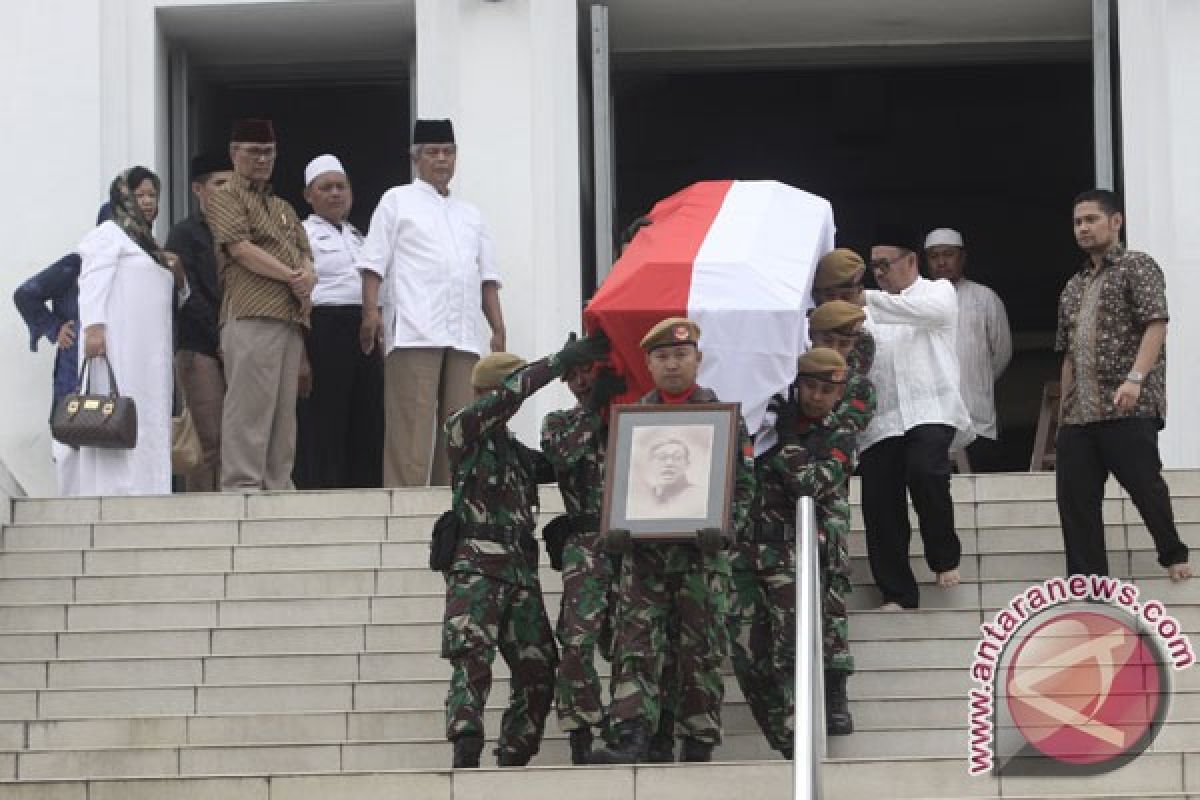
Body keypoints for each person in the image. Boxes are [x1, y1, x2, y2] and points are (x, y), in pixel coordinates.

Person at [589, 317, 755, 765]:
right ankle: (635, 736)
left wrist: (725, 527)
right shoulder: (633, 420)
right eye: (662, 357)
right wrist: (615, 529)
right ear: (648, 363)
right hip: (644, 558)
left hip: (702, 558)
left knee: (699, 651)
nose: (673, 364)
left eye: (682, 355)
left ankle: (697, 742)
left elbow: (744, 489)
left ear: (698, 359)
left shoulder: (722, 420)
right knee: (637, 648)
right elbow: (617, 483)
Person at [441, 333, 608, 768]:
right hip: (476, 567)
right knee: (472, 661)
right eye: (503, 393)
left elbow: (566, 461)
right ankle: (466, 745)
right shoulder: (464, 428)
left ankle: (515, 751)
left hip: (519, 571)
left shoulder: (517, 454)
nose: (512, 401)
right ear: (485, 395)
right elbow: (517, 391)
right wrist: (558, 361)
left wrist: (596, 406)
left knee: (538, 666)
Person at [358, 118, 507, 488]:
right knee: (411, 422)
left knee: (460, 422)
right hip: (413, 327)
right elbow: (373, 263)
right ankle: (404, 501)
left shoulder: (470, 213)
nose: (441, 159)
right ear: (415, 158)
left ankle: (452, 499)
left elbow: (486, 276)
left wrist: (499, 328)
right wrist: (370, 312)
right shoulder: (396, 201)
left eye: (448, 152)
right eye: (432, 152)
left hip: (463, 332)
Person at [1055, 189, 1191, 582]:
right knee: (1076, 503)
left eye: (1092, 219)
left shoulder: (1137, 266)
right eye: (1078, 221)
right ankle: (1088, 583)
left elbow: (1156, 324)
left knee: (1145, 487)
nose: (1083, 227)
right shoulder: (1073, 285)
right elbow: (1067, 353)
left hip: (1127, 404)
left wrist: (1135, 379)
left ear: (1116, 222)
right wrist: (1064, 410)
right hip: (1080, 412)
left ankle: (1173, 554)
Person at [732, 346, 860, 756]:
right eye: (809, 386)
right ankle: (783, 734)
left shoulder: (838, 436)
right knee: (746, 655)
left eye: (826, 390)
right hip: (747, 552)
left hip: (794, 554)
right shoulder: (760, 425)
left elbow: (812, 484)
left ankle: (797, 736)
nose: (817, 397)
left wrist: (788, 441)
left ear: (839, 395)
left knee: (792, 652)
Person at [859, 228, 972, 610]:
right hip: (881, 419)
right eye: (872, 267)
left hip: (930, 408)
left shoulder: (937, 292)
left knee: (926, 471)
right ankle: (897, 592)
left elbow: (933, 314)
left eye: (884, 264)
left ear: (911, 261)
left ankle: (944, 557)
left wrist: (864, 300)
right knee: (880, 502)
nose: (878, 273)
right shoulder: (863, 310)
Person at [207, 118, 316, 491]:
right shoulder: (225, 195)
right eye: (254, 152)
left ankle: (278, 484)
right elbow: (240, 249)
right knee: (249, 407)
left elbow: (306, 254)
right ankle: (241, 485)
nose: (262, 159)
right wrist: (292, 275)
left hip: (289, 316)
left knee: (285, 413)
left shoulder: (283, 206)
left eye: (269, 152)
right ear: (235, 153)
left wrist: (306, 276)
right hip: (251, 312)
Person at [76, 168, 187, 495]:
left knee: (150, 413)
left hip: (150, 353)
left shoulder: (148, 244)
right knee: (117, 413)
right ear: (123, 198)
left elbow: (176, 296)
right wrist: (94, 327)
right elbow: (92, 280)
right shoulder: (109, 233)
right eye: (140, 195)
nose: (149, 202)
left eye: (153, 195)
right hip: (120, 345)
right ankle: (115, 491)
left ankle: (151, 487)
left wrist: (177, 273)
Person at [540, 359, 625, 764]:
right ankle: (582, 730)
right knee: (577, 640)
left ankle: (632, 730)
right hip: (586, 545)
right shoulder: (559, 422)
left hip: (633, 545)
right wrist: (594, 411)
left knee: (635, 645)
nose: (579, 382)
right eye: (571, 377)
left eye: (586, 372)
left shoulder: (634, 417)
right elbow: (562, 457)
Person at [293, 154, 384, 489]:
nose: (335, 194)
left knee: (367, 412)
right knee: (325, 414)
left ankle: (366, 488)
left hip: (363, 327)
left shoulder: (359, 235)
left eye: (340, 186)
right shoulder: (301, 234)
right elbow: (297, 294)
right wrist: (302, 352)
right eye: (325, 187)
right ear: (308, 195)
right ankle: (324, 488)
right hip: (323, 327)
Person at [13, 204, 112, 496]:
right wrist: (54, 327)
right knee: (72, 446)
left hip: (116, 371)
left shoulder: (140, 268)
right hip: (74, 373)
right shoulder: (77, 265)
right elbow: (26, 294)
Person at [168, 152, 233, 492]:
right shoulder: (184, 234)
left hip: (237, 344)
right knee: (209, 438)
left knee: (238, 438)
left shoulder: (242, 230)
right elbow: (186, 295)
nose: (227, 190)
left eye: (231, 183)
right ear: (198, 189)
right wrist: (220, 337)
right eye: (219, 183)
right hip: (200, 348)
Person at [924, 228, 1012, 472]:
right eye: (934, 256)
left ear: (962, 257)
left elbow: (1002, 353)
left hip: (976, 414)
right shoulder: (917, 299)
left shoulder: (984, 298)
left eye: (948, 255)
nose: (941, 262)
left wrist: (977, 380)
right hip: (931, 416)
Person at [626, 434, 708, 519]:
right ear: (650, 463)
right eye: (662, 457)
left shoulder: (699, 496)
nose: (669, 463)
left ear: (687, 464)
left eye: (677, 458)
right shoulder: (642, 499)